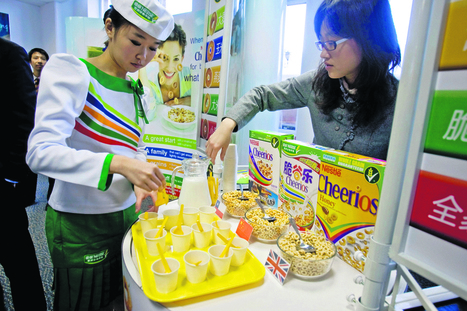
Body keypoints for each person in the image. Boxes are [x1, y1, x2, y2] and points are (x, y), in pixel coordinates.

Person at [26, 0, 174, 310]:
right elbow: (40, 152)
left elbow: (136, 148)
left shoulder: (137, 89)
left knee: (122, 299)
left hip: (126, 221)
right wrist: (118, 164)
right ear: (109, 27)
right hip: (81, 222)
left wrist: (144, 190)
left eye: (152, 48)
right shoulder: (75, 71)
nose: (142, 56)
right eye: (135, 42)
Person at [206, 0, 401, 162]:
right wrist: (227, 124)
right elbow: (262, 95)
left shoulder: (399, 101)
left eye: (331, 43)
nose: (323, 53)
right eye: (321, 43)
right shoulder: (317, 84)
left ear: (367, 39)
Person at [0, 38, 47, 311]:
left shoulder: (8, 54)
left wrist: (12, 179)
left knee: (20, 267)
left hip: (3, 189)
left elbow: (25, 121)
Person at [139, 23, 191, 120]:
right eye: (164, 58)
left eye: (176, 59)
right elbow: (147, 116)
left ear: (182, 58)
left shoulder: (190, 76)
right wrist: (142, 65)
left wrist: (188, 100)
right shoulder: (149, 80)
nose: (170, 68)